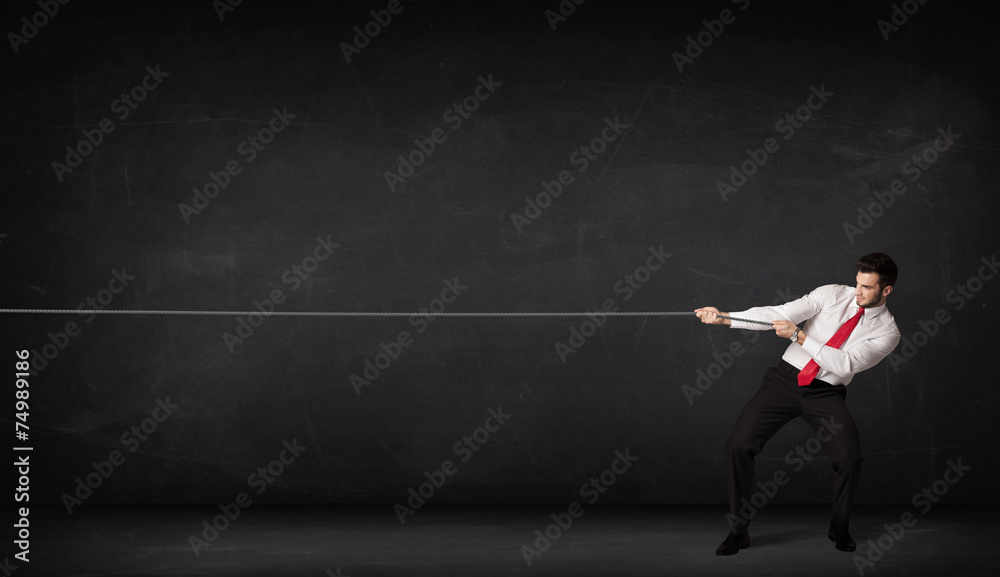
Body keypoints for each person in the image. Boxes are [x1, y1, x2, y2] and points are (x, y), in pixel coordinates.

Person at [695, 253, 901, 555]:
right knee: (738, 445)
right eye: (857, 283)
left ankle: (839, 530)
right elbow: (779, 313)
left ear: (887, 290)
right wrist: (726, 316)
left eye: (866, 288)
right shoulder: (832, 293)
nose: (857, 292)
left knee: (849, 459)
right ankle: (739, 531)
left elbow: (845, 364)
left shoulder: (887, 332)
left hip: (826, 394)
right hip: (783, 382)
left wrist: (801, 337)